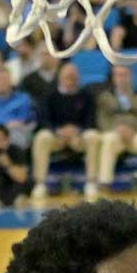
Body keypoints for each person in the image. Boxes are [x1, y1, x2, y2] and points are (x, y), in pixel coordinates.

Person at [32, 62, 102, 201]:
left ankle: (91, 182)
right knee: (42, 137)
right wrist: (58, 131)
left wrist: (78, 130)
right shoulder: (49, 95)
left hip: (79, 137)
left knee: (93, 136)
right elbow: (43, 120)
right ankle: (40, 183)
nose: (71, 80)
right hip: (56, 137)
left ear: (78, 78)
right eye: (67, 77)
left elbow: (91, 120)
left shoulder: (87, 95)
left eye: (73, 77)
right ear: (60, 77)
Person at [94, 64, 137, 195]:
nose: (121, 78)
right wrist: (116, 129)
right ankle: (104, 183)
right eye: (118, 75)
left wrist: (134, 130)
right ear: (113, 78)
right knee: (108, 139)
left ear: (131, 76)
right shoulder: (105, 98)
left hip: (136, 136)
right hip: (115, 135)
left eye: (124, 74)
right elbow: (101, 120)